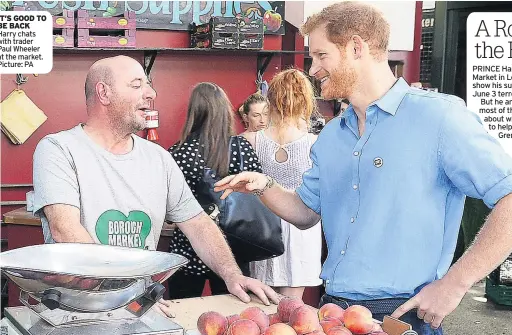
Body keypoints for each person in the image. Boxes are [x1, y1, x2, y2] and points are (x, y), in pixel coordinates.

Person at [215, 1, 512, 335]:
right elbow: (304, 213)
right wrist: (263, 184)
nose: (313, 70)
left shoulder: (439, 118)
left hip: (403, 315)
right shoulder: (331, 136)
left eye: (321, 56)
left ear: (357, 48)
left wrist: (455, 284)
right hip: (334, 313)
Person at [31, 55, 279, 312]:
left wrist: (232, 274)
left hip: (138, 307)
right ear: (103, 93)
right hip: (76, 309)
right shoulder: (58, 149)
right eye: (137, 85)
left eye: (148, 85)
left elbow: (197, 223)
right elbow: (65, 230)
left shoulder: (158, 157)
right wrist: (126, 293)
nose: (151, 93)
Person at [167, 82, 263, 299]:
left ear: (194, 112)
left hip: (188, 247)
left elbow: (170, 205)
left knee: (185, 315)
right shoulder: (242, 148)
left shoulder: (180, 152)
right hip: (235, 246)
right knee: (234, 318)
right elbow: (259, 190)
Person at [242, 69, 323, 300]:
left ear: (271, 100)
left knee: (261, 302)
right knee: (293, 307)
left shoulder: (250, 139)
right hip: (302, 226)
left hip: (263, 226)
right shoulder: (315, 143)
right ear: (305, 101)